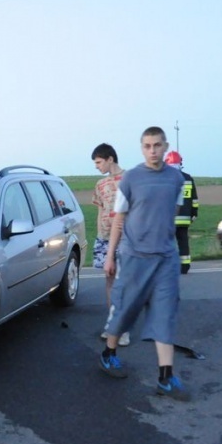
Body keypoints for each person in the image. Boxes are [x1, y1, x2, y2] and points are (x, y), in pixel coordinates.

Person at [98, 126, 189, 401]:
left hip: (165, 259)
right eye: (148, 146)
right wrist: (110, 256)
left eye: (157, 145)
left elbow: (172, 214)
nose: (153, 151)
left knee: (165, 314)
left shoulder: (176, 179)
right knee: (124, 310)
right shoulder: (131, 178)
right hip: (134, 257)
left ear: (165, 146)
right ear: (142, 148)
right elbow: (119, 219)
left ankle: (166, 377)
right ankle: (109, 353)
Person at [91, 143, 130, 347]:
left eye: (99, 162)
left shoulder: (130, 179)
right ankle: (113, 323)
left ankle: (123, 329)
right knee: (110, 280)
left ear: (110, 159)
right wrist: (100, 235)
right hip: (105, 238)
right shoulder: (100, 184)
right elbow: (100, 211)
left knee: (123, 283)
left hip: (127, 239)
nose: (97, 166)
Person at [164, 150, 199, 274]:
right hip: (184, 218)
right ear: (180, 163)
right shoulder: (188, 178)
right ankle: (185, 266)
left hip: (170, 218)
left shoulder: (165, 178)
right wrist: (194, 213)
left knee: (168, 243)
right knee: (183, 241)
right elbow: (194, 200)